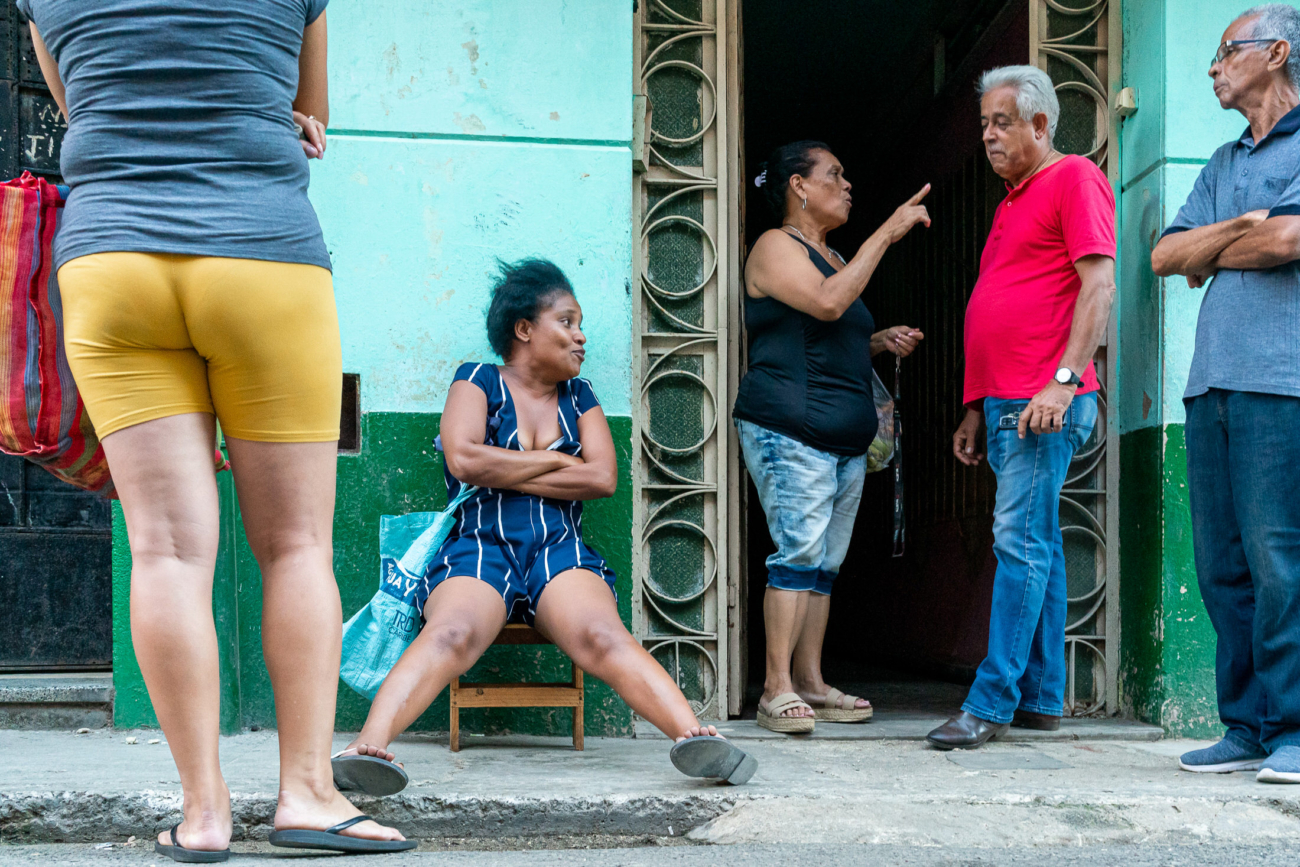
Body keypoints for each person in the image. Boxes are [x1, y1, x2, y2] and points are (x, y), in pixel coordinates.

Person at [20, 1, 414, 860]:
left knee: (165, 551)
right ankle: (308, 794)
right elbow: (311, 112)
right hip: (262, 250)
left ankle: (203, 813)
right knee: (297, 544)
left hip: (111, 259)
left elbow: (78, 103)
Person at [330, 259, 758, 790]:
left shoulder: (580, 396)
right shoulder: (477, 380)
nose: (580, 337)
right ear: (524, 329)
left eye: (580, 325)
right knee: (452, 633)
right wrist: (557, 461)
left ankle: (696, 739)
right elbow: (463, 460)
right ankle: (367, 749)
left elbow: (601, 477)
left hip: (558, 548)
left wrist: (503, 466)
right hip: (480, 544)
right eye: (567, 322)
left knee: (602, 635)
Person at [927, 65, 1116, 751]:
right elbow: (1001, 306)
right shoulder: (1012, 201)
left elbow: (1098, 286)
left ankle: (991, 701)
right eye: (984, 124)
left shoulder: (1074, 178)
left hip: (1045, 401)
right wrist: (975, 407)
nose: (988, 135)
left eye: (1001, 122)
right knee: (1039, 546)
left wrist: (1063, 380)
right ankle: (1041, 696)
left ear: (1040, 123)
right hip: (1007, 402)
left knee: (1020, 543)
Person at [1150, 4, 1300, 784]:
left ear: (1276, 53)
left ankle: (1294, 729)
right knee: (1221, 566)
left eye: (1225, 51)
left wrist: (1217, 245)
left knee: (1280, 561)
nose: (1213, 67)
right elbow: (1164, 255)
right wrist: (1242, 225)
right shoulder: (1221, 160)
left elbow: (1288, 238)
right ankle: (1245, 725)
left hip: (1281, 380)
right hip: (1207, 385)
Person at [735, 140, 928, 733]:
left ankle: (812, 683)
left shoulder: (834, 254)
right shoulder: (774, 246)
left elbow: (824, 334)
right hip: (790, 430)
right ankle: (776, 690)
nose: (847, 186)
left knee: (822, 565)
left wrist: (877, 340)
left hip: (843, 442)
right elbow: (825, 304)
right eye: (835, 175)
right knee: (796, 554)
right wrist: (887, 233)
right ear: (798, 186)